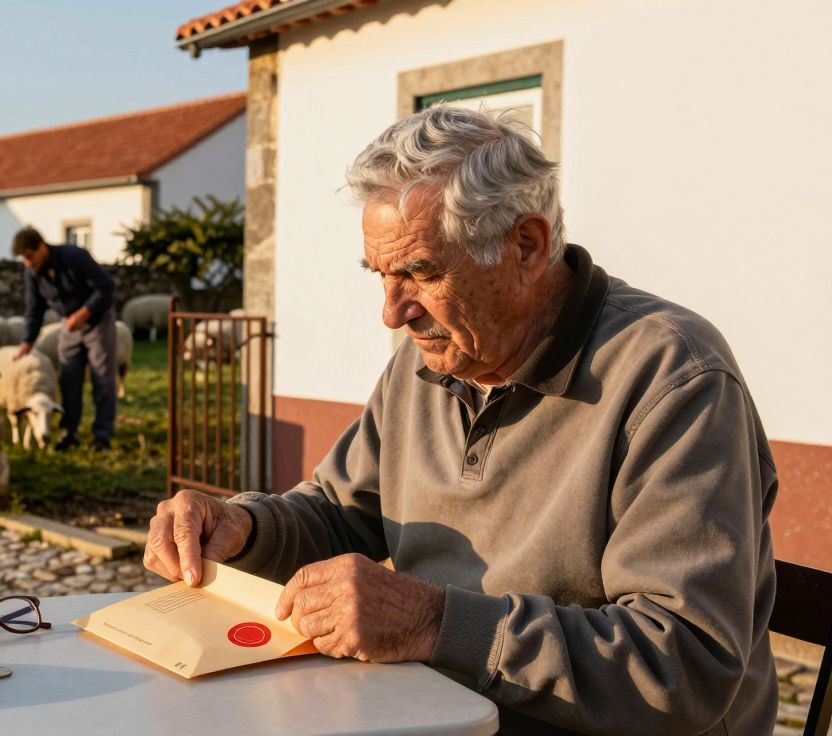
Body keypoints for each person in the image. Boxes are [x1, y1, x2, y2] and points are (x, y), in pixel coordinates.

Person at [143, 106, 778, 735]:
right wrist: (243, 528)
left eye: (420, 272)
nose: (392, 313)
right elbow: (343, 513)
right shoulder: (429, 362)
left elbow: (683, 667)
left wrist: (433, 623)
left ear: (525, 247)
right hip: (430, 715)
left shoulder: (674, 378)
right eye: (381, 276)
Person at [12, 226, 117, 451]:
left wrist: (84, 313)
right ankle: (69, 433)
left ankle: (101, 436)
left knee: (102, 378)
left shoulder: (74, 257)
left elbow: (106, 287)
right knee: (68, 380)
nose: (27, 262)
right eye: (23, 259)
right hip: (68, 326)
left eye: (29, 256)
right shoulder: (33, 272)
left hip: (97, 322)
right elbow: (34, 308)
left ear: (41, 247)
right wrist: (27, 341)